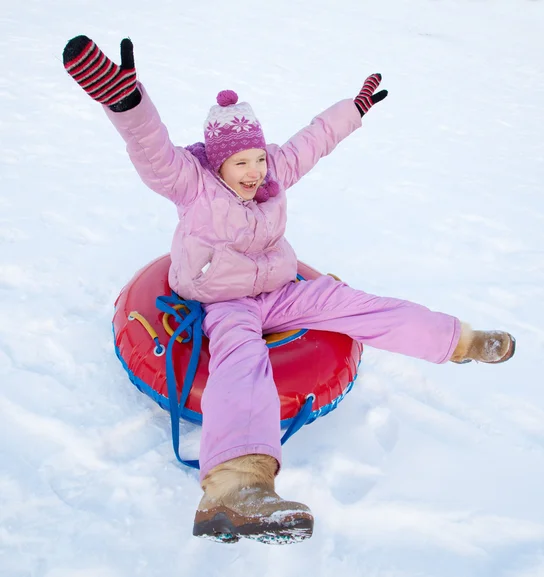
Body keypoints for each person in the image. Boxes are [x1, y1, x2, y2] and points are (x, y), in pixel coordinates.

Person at [62, 35, 516, 545]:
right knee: (240, 354)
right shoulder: (192, 183)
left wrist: (355, 108)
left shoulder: (273, 171)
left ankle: (460, 342)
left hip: (279, 288)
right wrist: (128, 103)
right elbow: (152, 151)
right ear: (219, 163)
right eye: (242, 164)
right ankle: (234, 491)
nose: (255, 172)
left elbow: (314, 139)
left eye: (258, 159)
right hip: (223, 300)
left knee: (353, 304)